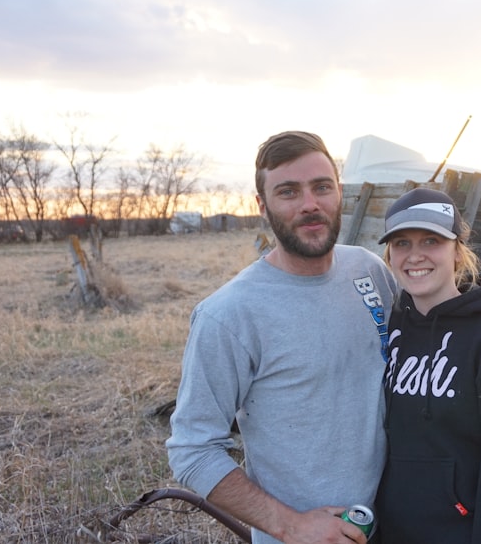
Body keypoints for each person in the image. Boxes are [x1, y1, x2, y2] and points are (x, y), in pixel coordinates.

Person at [166, 131, 396, 544]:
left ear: (339, 192)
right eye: (288, 192)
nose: (310, 204)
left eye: (321, 187)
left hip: (393, 523)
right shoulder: (229, 315)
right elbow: (192, 450)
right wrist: (292, 526)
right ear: (262, 206)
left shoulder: (368, 271)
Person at [374, 188, 481, 543]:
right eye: (401, 243)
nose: (414, 256)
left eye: (431, 241)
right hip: (389, 532)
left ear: (457, 252)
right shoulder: (391, 327)